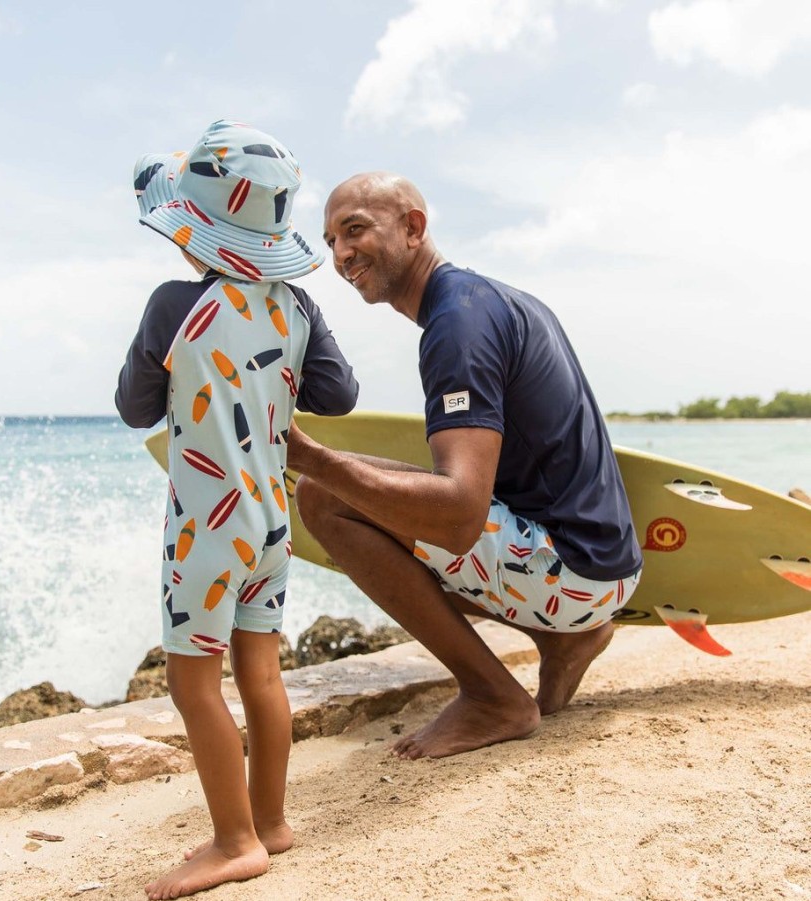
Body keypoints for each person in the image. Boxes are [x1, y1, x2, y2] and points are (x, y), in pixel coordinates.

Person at [287, 171, 643, 761]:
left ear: (413, 228)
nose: (341, 254)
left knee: (324, 497)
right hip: (606, 565)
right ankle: (562, 639)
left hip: (574, 572)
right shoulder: (492, 300)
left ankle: (492, 697)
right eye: (330, 242)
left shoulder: (457, 326)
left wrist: (309, 458)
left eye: (354, 230)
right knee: (371, 489)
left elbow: (458, 518)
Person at [115, 120, 358, 899]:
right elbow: (339, 396)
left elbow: (132, 408)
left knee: (193, 684)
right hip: (272, 523)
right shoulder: (298, 309)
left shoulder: (172, 305)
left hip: (204, 524)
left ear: (198, 230)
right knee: (261, 669)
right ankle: (269, 820)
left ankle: (233, 840)